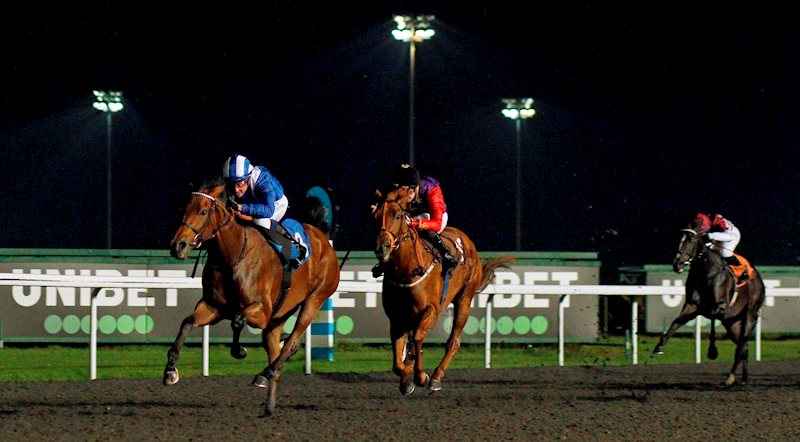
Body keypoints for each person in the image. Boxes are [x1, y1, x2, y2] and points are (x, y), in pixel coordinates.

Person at [223, 154, 302, 291]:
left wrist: (243, 208)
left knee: (260, 221)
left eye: (240, 184)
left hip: (275, 205)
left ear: (248, 178)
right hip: (254, 203)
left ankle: (290, 246)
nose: (236, 190)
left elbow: (268, 210)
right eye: (232, 185)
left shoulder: (263, 179)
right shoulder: (233, 185)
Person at [372, 164, 458, 278]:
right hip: (411, 215)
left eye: (406, 191)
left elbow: (437, 224)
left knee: (421, 220)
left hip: (435, 217)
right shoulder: (397, 189)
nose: (402, 196)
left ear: (416, 188)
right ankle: (386, 262)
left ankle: (446, 256)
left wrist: (413, 223)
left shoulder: (432, 189)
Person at [695, 212, 748, 282]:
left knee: (725, 253)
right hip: (722, 234)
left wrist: (710, 236)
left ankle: (742, 271)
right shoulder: (706, 220)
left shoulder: (718, 222)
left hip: (732, 236)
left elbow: (730, 236)